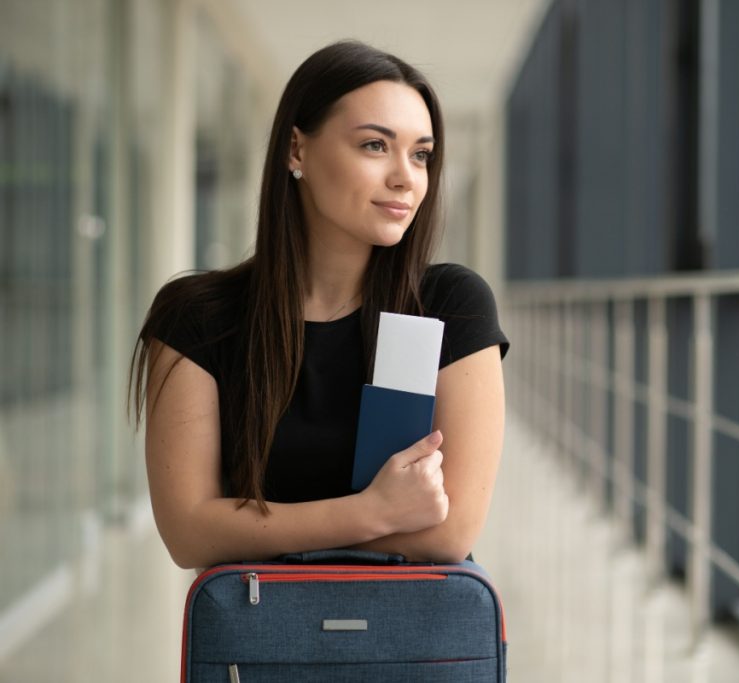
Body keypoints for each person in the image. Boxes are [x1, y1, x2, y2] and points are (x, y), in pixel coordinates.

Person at [129, 41, 508, 570]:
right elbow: (189, 534)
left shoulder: (448, 306)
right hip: (258, 647)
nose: (406, 177)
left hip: (408, 644)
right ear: (296, 150)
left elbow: (447, 533)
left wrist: (251, 531)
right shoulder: (197, 319)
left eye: (421, 154)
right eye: (375, 145)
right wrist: (372, 513)